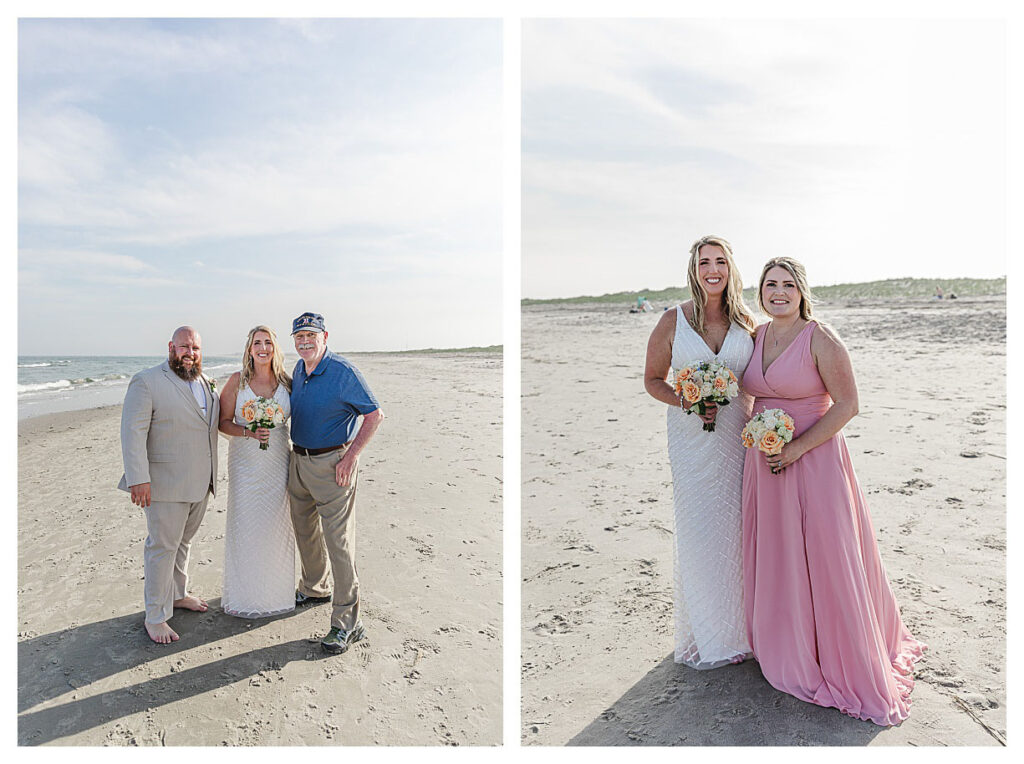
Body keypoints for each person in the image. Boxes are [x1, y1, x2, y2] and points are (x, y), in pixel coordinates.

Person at [741, 257, 926, 725]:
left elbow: (848, 405)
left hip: (815, 459)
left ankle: (837, 654)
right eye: (769, 285)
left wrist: (797, 447)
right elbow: (747, 392)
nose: (777, 292)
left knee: (824, 552)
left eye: (787, 284)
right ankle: (784, 641)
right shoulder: (757, 335)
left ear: (802, 291)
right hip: (765, 461)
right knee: (779, 553)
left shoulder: (821, 338)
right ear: (759, 292)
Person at [644, 235, 757, 669]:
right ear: (694, 269)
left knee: (740, 527)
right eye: (704, 262)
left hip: (737, 435)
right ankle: (711, 635)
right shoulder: (673, 321)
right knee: (700, 529)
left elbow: (762, 376)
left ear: (731, 268)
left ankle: (750, 630)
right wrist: (688, 400)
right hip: (691, 440)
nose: (713, 269)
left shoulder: (747, 321)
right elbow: (654, 380)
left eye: (720, 261)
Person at [287, 312, 385, 654]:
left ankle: (347, 623)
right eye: (299, 337)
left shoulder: (343, 371)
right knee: (304, 531)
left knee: (339, 543)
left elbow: (374, 415)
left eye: (311, 336)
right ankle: (315, 587)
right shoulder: (299, 370)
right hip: (297, 460)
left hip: (333, 466)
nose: (304, 342)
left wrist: (351, 456)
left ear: (325, 336)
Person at [118, 326, 220, 644]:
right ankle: (155, 616)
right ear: (170, 347)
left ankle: (176, 595)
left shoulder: (205, 382)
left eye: (196, 348)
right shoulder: (147, 381)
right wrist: (139, 479)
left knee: (183, 544)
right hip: (163, 484)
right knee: (162, 548)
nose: (190, 353)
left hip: (201, 482)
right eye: (184, 346)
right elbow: (132, 432)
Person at [217, 325, 295, 618]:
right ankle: (244, 596)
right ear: (249, 349)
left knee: (275, 524)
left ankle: (276, 594)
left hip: (277, 461)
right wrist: (249, 431)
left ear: (275, 348)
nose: (263, 348)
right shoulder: (238, 382)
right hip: (245, 463)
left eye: (268, 343)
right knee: (246, 524)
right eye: (257, 343)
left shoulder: (287, 382)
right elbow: (223, 422)